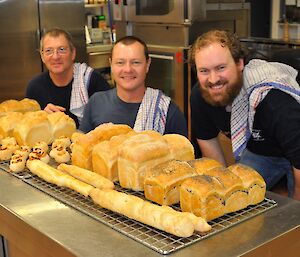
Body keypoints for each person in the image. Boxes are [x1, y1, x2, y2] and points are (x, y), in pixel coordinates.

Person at [189, 29, 300, 200]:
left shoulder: (274, 101)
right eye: (204, 71)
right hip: (262, 149)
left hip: (295, 144)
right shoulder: (200, 96)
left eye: (221, 68)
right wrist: (221, 197)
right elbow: (215, 163)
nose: (213, 79)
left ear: (240, 63)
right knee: (236, 195)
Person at [79, 35, 187, 137]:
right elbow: (81, 149)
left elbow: (183, 155)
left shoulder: (167, 111)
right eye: (120, 62)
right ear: (111, 64)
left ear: (147, 65)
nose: (128, 69)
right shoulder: (96, 103)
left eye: (135, 62)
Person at [26, 28, 111, 127]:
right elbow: (29, 127)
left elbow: (108, 121)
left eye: (61, 49)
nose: (55, 57)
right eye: (49, 51)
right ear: (42, 56)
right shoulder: (35, 87)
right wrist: (42, 117)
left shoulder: (92, 81)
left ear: (73, 53)